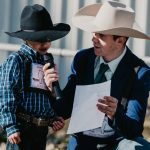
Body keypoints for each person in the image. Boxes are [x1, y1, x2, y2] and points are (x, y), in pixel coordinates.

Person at [43, 1, 150, 150]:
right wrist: (51, 89)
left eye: (101, 35)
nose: (93, 38)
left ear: (120, 40)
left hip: (117, 142)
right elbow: (64, 108)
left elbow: (134, 129)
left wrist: (115, 113)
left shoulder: (140, 72)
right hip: (83, 141)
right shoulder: (82, 59)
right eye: (94, 32)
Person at [0, 4, 70, 150]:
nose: (46, 43)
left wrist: (52, 117)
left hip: (41, 131)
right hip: (21, 129)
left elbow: (43, 98)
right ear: (27, 39)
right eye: (39, 39)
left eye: (48, 38)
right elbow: (6, 93)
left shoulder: (46, 61)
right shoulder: (17, 60)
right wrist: (11, 126)